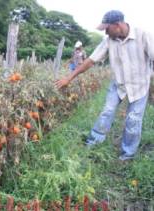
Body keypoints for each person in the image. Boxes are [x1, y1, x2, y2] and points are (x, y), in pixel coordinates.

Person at [55, 10, 154, 161]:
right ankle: (93, 143)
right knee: (107, 111)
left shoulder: (143, 36)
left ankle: (127, 154)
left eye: (107, 29)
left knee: (133, 120)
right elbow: (90, 61)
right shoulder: (108, 41)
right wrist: (69, 78)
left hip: (140, 86)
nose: (105, 33)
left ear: (117, 25)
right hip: (119, 84)